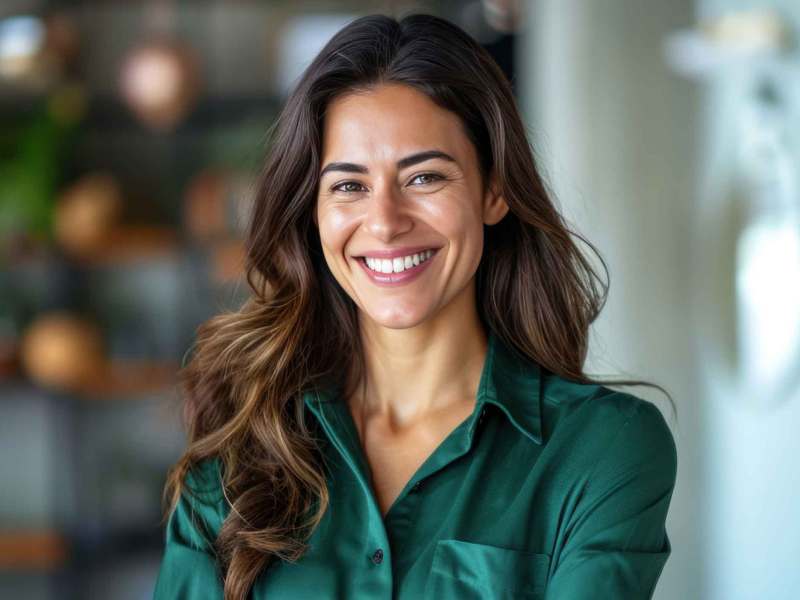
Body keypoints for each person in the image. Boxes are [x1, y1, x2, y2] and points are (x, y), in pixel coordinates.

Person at [153, 12, 678, 600]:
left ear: (494, 189)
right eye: (349, 186)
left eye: (424, 177)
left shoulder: (600, 448)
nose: (385, 222)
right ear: (314, 212)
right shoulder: (245, 440)